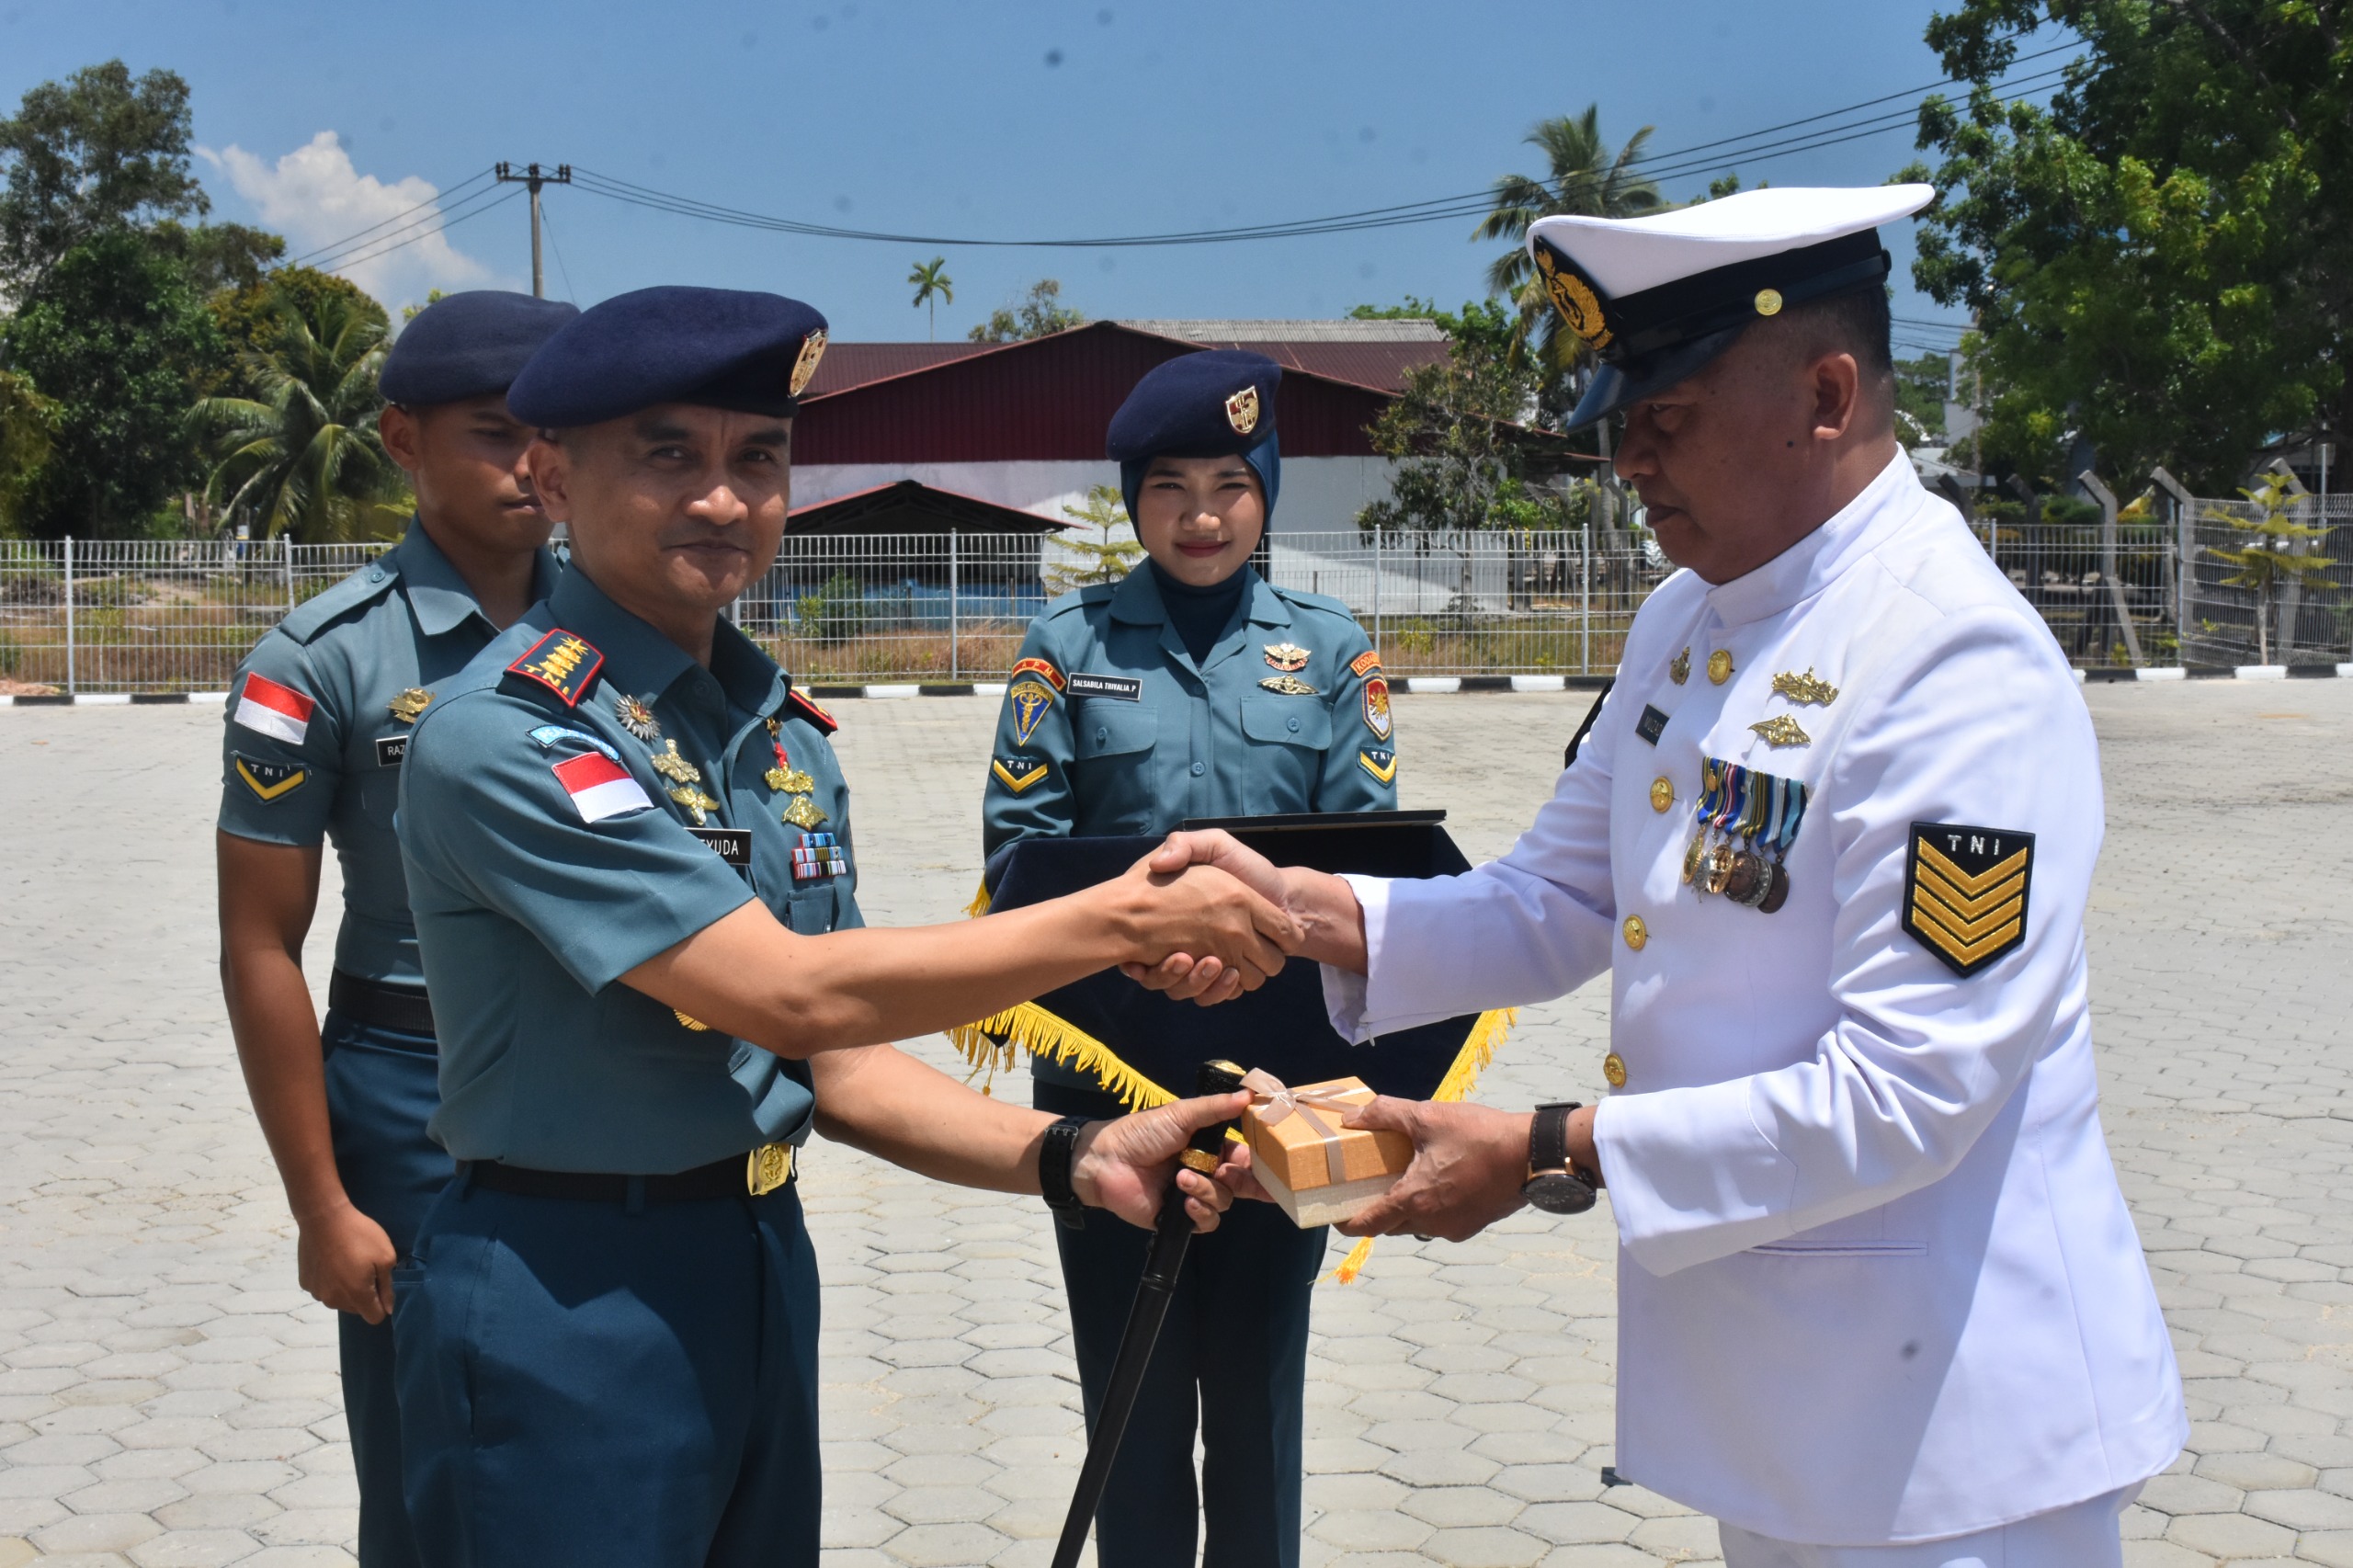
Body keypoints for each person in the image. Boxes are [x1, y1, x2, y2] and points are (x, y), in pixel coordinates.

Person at [1141, 187, 2188, 1567]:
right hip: (1777, 1408)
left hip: (1955, 1445)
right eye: (1622, 419)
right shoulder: (1689, 618)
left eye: (1668, 415)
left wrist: (1546, 1150)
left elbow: (1910, 1091)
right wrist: (1294, 905)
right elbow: (1560, 900)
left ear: (1826, 392)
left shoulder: (1949, 663)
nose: (1628, 458)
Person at [387, 286, 1297, 1568]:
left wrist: (1077, 1151)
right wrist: (1124, 917)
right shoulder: (509, 735)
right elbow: (792, 994)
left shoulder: (774, 735)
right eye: (668, 455)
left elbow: (842, 1066)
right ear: (549, 476)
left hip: (756, 1258)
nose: (722, 497)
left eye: (757, 457)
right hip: (568, 1292)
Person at [978, 348, 1393, 1568]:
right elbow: (1020, 857)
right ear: (1130, 498)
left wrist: (1252, 963)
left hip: (1285, 1078)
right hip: (1109, 1076)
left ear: (1266, 491)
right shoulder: (1066, 642)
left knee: (1261, 1392)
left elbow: (1369, 863)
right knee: (1132, 1398)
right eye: (1168, 486)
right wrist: (1150, 960)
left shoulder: (1330, 651)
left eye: (1229, 482)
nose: (1202, 516)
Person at [215, 289, 576, 1567]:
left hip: (610, 1073)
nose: (533, 466)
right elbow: (262, 941)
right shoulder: (319, 659)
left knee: (609, 1438)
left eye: (554, 433)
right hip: (411, 1095)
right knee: (438, 1468)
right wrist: (319, 1199)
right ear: (402, 440)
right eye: (493, 433)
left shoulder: (635, 629)